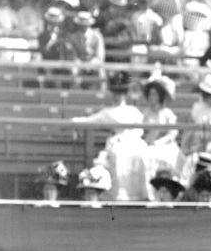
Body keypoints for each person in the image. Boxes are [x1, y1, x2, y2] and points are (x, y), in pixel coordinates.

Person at [73, 71, 148, 201]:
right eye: (116, 93)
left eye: (121, 93)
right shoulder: (108, 112)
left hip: (134, 142)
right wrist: (75, 121)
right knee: (117, 154)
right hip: (118, 142)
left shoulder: (133, 111)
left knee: (142, 153)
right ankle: (120, 195)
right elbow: (91, 120)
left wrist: (130, 136)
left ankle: (139, 195)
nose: (118, 96)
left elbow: (140, 129)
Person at [141, 70, 184, 180]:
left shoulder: (168, 114)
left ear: (160, 96)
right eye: (150, 94)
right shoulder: (144, 114)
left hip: (165, 147)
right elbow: (139, 132)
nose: (151, 97)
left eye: (154, 94)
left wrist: (158, 143)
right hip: (146, 146)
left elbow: (172, 134)